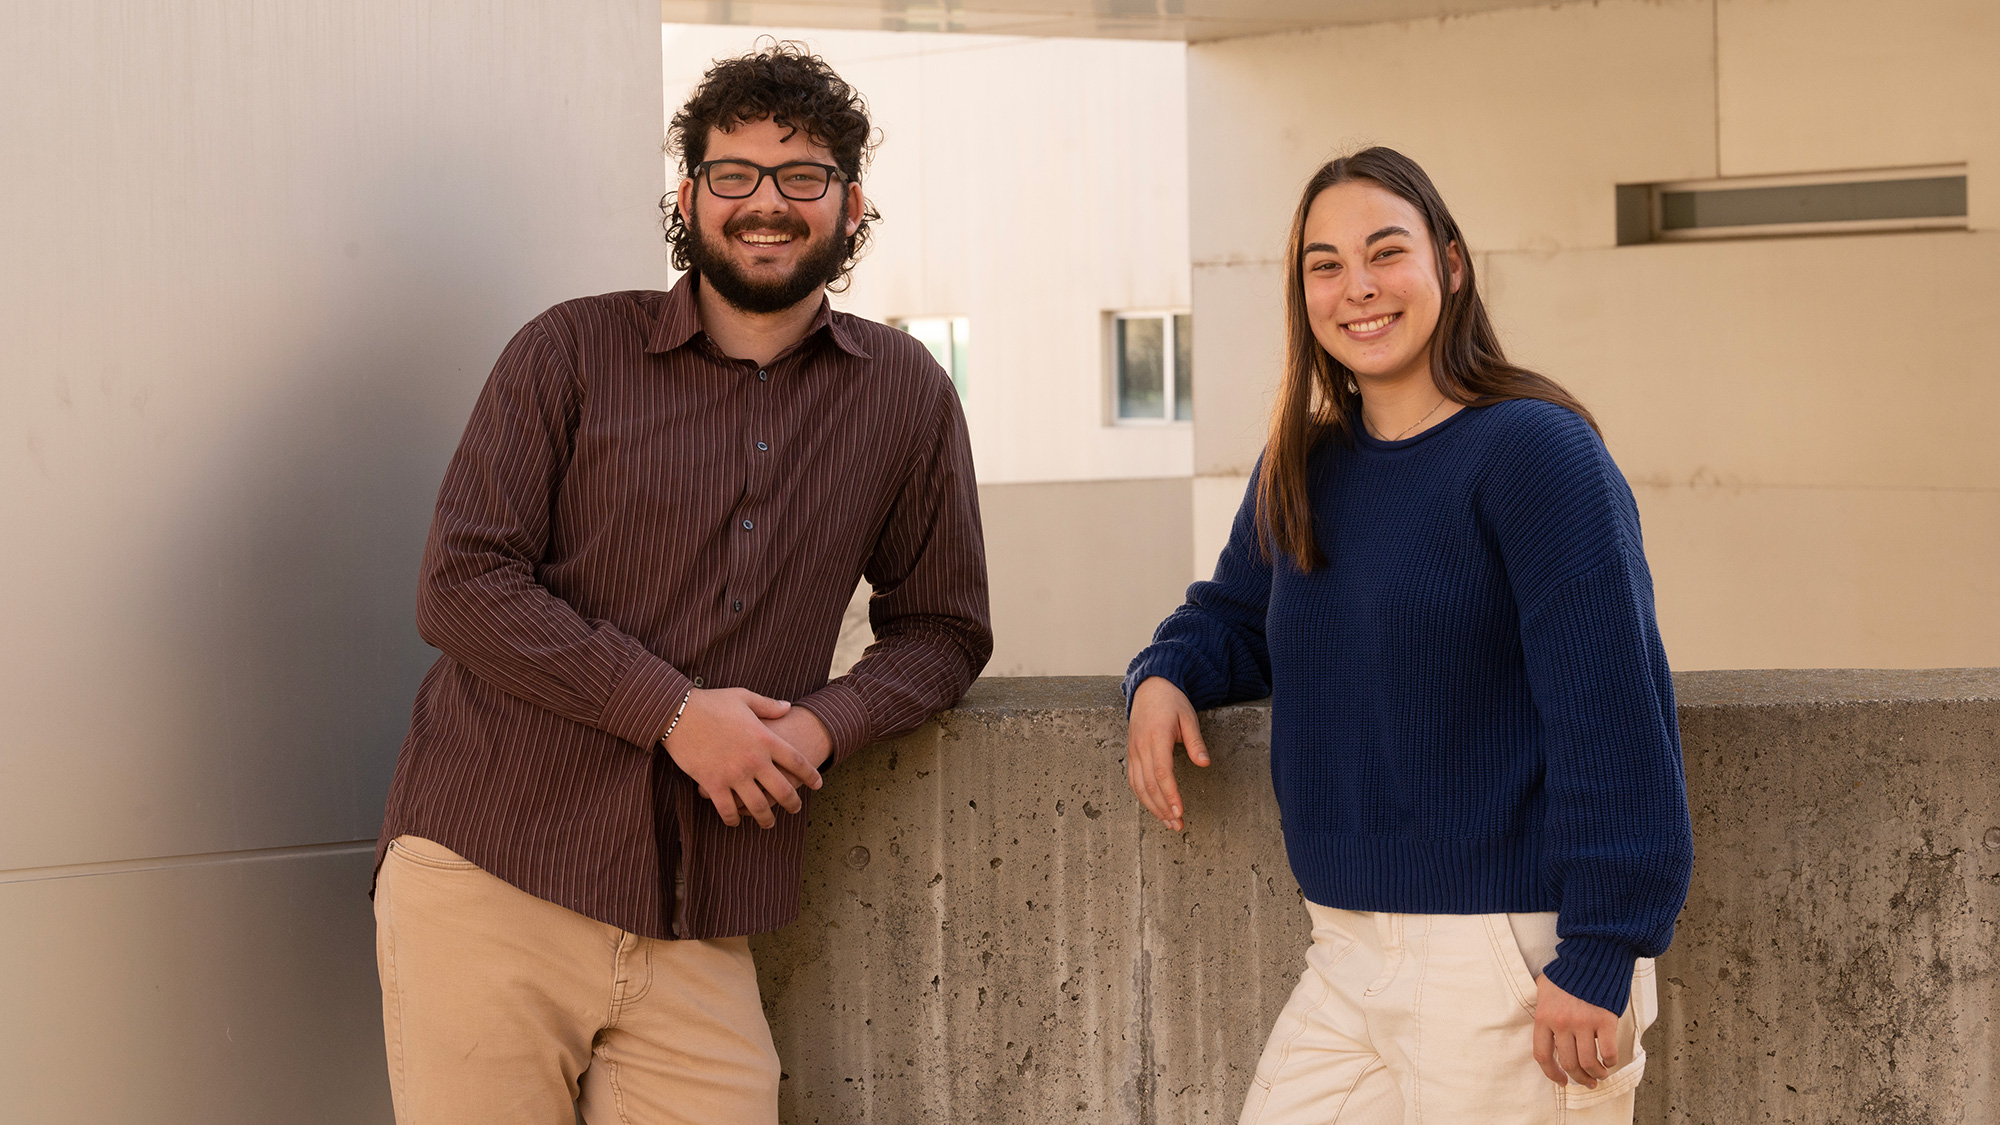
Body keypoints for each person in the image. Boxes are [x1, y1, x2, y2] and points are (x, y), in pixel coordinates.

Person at [370, 43, 990, 1125]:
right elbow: (462, 584)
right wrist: (669, 712)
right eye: (734, 175)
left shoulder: (905, 396)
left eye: (802, 176)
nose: (766, 204)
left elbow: (940, 628)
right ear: (688, 197)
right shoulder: (566, 352)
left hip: (700, 915)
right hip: (492, 875)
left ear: (850, 205)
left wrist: (820, 728)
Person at [1123, 147, 1693, 1124]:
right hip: (1345, 946)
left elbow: (1611, 709)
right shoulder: (1304, 461)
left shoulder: (1533, 452)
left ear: (1451, 265)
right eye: (1324, 264)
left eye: (1385, 253)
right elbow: (1234, 616)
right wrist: (1165, 674)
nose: (1357, 288)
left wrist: (1600, 950)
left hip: (1504, 956)